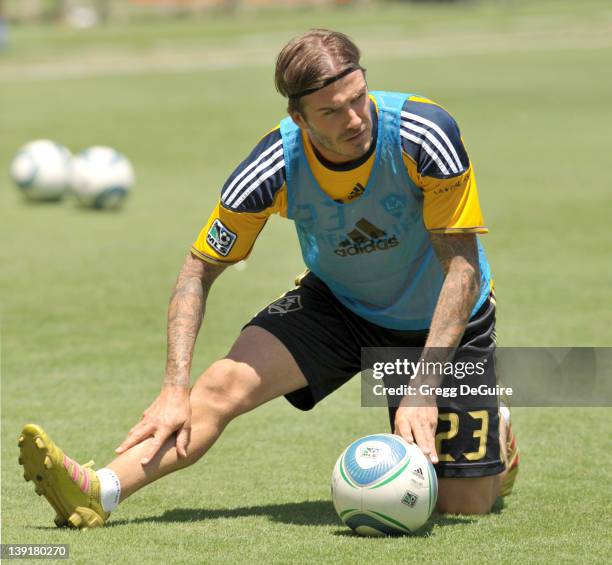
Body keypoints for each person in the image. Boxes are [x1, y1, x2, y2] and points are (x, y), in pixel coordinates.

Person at [19, 29, 519, 530]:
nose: (354, 119)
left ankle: (498, 439)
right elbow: (197, 271)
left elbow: (462, 267)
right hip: (340, 305)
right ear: (298, 118)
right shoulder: (271, 168)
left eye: (358, 99)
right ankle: (100, 490)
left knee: (462, 505)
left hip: (441, 316)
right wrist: (174, 387)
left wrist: (422, 384)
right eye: (331, 112)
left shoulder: (424, 134)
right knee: (219, 386)